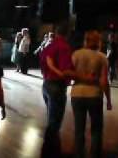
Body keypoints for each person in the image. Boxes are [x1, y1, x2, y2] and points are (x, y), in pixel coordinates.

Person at [70, 30, 112, 158]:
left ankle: (79, 154)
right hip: (94, 95)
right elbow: (104, 81)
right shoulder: (102, 57)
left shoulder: (76, 54)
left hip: (77, 94)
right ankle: (94, 155)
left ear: (86, 40)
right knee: (96, 129)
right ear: (98, 42)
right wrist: (109, 100)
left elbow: (69, 73)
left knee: (79, 129)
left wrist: (81, 77)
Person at [39, 23, 74, 158]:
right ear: (67, 34)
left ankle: (52, 150)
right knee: (54, 122)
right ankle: (49, 153)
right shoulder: (64, 47)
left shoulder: (49, 46)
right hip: (57, 87)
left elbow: (44, 62)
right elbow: (65, 71)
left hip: (46, 85)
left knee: (51, 119)